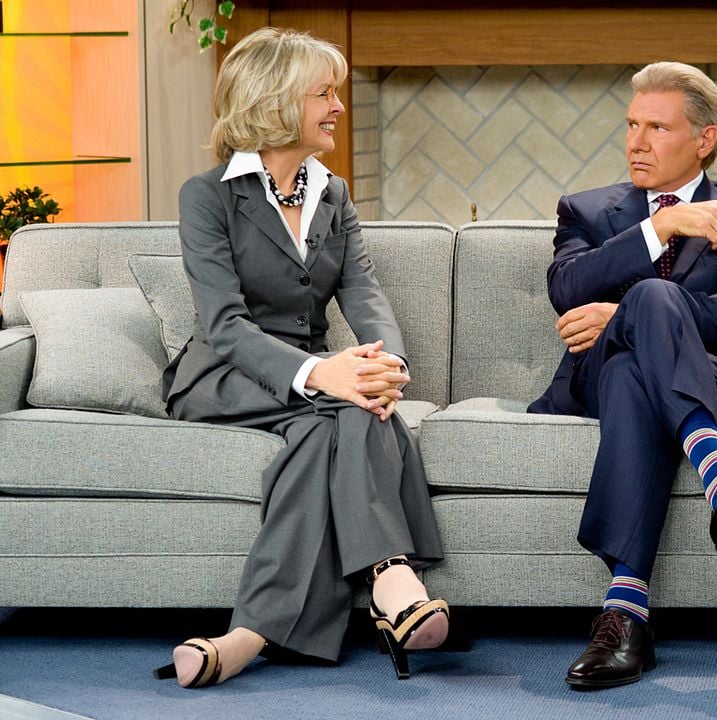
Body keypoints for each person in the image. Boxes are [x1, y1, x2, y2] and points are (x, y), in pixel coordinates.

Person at [154, 27, 448, 687]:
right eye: (323, 92)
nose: (338, 106)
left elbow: (364, 295)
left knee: (328, 428)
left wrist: (384, 364)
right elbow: (223, 324)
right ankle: (391, 577)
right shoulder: (207, 197)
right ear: (274, 101)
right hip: (225, 375)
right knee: (341, 408)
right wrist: (324, 372)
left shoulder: (332, 193)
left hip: (310, 388)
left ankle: (249, 634)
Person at [527, 61, 717, 689]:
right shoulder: (588, 210)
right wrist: (661, 226)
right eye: (631, 125)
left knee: (634, 361)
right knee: (628, 348)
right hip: (591, 377)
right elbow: (566, 288)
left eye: (657, 127)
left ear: (705, 139)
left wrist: (632, 312)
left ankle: (624, 613)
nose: (636, 142)